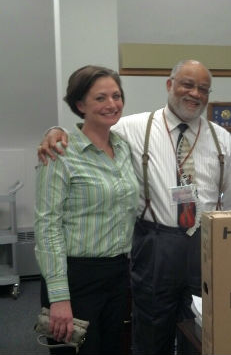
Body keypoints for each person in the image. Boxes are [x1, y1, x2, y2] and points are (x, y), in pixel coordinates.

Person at [38, 60, 231, 355]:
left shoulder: (223, 140)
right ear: (169, 85)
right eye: (187, 84)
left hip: (205, 247)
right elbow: (89, 130)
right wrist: (55, 131)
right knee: (150, 332)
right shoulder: (132, 129)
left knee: (202, 332)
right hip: (154, 246)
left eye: (203, 88)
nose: (194, 93)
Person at [34, 65, 140, 355]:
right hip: (75, 277)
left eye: (116, 96)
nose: (112, 104)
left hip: (118, 273)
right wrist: (58, 297)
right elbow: (47, 227)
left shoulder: (124, 148)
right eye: (100, 98)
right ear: (80, 104)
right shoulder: (59, 153)